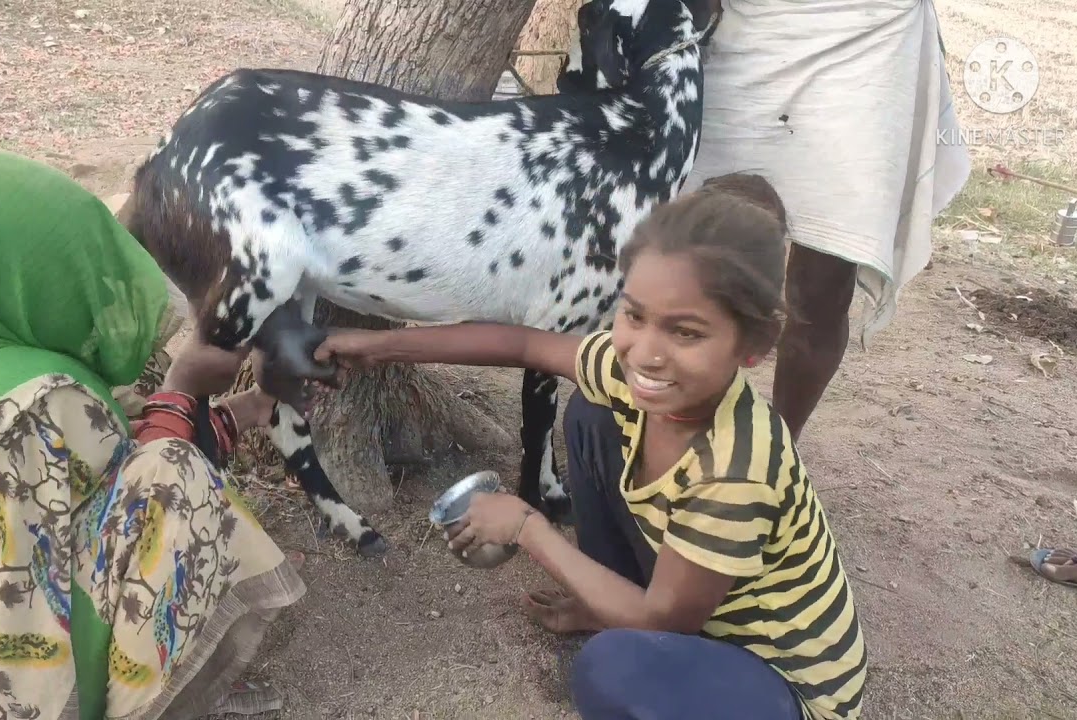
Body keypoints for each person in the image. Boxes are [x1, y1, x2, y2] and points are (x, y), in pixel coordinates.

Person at [315, 173, 867, 718]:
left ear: (754, 346)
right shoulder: (629, 372)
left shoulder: (734, 468)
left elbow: (663, 624)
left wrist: (527, 526)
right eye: (634, 315)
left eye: (687, 332)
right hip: (701, 618)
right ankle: (613, 599)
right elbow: (524, 343)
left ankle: (620, 611)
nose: (645, 354)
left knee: (612, 669)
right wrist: (381, 345)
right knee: (590, 411)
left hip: (782, 682)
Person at [0, 149, 306, 720]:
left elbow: (93, 478)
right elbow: (145, 479)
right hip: (29, 694)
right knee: (175, 473)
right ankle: (142, 698)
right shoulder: (39, 400)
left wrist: (248, 407)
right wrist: (181, 385)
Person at [681, 0, 972, 438]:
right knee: (690, 260)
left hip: (867, 30)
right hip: (745, 26)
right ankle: (677, 427)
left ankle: (779, 452)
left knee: (820, 288)